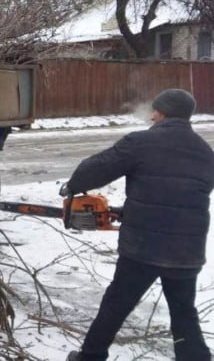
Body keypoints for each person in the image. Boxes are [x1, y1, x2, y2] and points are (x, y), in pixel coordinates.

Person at [64, 89, 214, 361]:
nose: (152, 115)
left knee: (116, 305)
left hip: (144, 249)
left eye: (154, 110)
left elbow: (97, 168)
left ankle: (91, 356)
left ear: (161, 112)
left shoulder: (141, 142)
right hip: (186, 252)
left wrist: (73, 186)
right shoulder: (205, 152)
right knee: (183, 312)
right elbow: (182, 193)